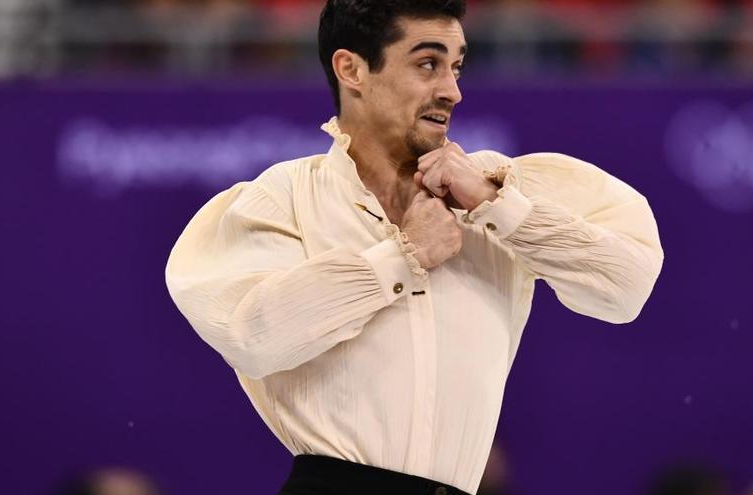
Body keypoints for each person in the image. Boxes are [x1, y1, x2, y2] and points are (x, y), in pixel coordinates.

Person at [164, 1, 664, 494]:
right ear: (352, 69)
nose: (452, 91)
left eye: (457, 66)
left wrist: (499, 209)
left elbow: (627, 287)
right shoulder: (283, 198)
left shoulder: (500, 188)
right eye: (428, 64)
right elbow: (256, 336)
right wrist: (399, 257)